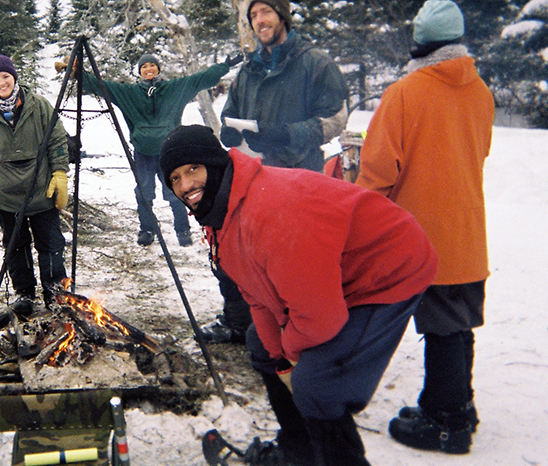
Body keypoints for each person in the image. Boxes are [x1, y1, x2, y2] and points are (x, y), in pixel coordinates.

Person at [159, 125, 437, 466]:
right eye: (175, 178)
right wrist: (278, 355)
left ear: (214, 165)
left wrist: (290, 357)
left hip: (386, 268)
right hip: (337, 273)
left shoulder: (269, 209)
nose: (186, 185)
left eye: (192, 170)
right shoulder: (223, 210)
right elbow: (256, 293)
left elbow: (320, 319)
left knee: (317, 382)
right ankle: (300, 452)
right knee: (262, 346)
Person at [355, 0, 494, 455]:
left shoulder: (405, 93)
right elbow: (480, 153)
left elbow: (377, 174)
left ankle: (447, 422)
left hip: (421, 235)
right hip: (468, 233)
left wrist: (361, 226)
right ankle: (456, 405)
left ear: (418, 40)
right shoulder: (481, 93)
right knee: (455, 325)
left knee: (442, 328)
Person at [201, 0, 350, 345]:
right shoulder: (249, 69)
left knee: (293, 259)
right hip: (250, 176)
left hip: (298, 176)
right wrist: (230, 132)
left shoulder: (315, 62)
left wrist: (285, 135)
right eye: (253, 16)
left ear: (282, 16)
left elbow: (336, 118)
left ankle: (299, 328)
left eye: (265, 13)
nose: (259, 21)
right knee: (236, 250)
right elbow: (229, 112)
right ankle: (239, 321)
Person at [78, 52, 240, 247]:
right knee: (144, 192)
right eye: (144, 66)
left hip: (169, 153)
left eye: (152, 65)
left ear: (158, 69)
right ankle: (147, 229)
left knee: (175, 192)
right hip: (143, 152)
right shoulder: (129, 93)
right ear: (139, 72)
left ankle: (183, 230)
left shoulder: (174, 88)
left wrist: (225, 66)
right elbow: (101, 85)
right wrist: (77, 73)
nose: (149, 69)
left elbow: (200, 79)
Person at [0, 55, 69, 316]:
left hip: (41, 190)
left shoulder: (39, 106)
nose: (2, 83)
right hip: (6, 195)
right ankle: (24, 293)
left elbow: (57, 141)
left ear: (14, 78)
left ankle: (55, 291)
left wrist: (59, 173)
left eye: (5, 77)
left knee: (51, 243)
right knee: (16, 245)